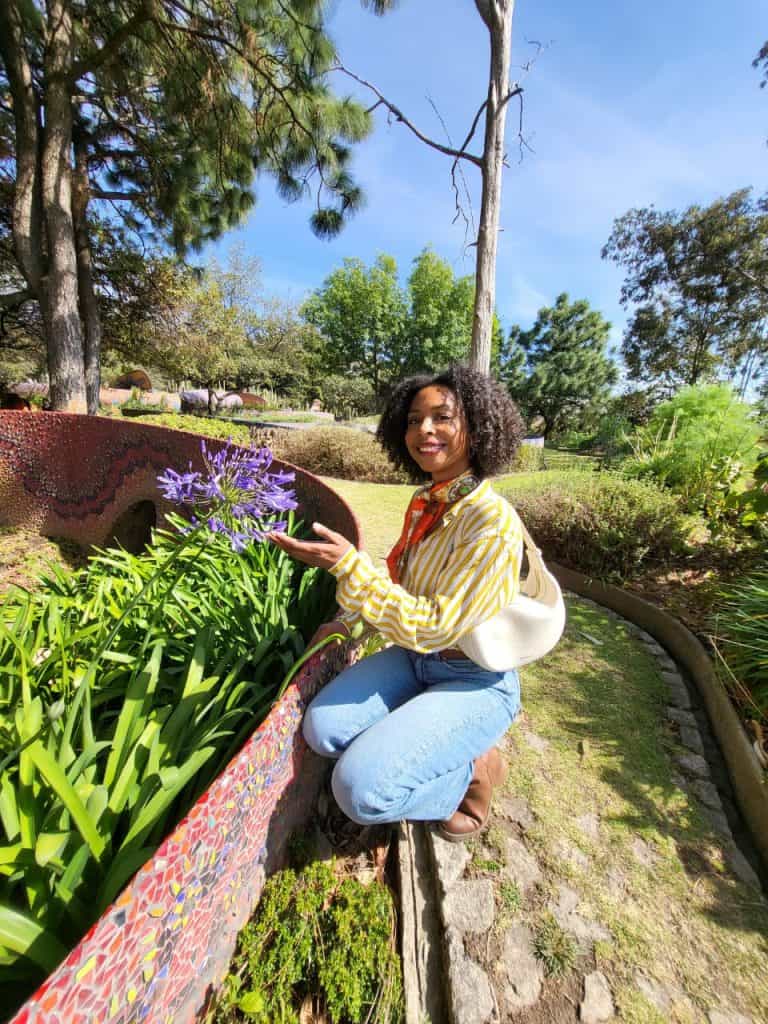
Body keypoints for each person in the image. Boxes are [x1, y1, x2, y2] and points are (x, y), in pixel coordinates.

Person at [268, 365, 526, 841]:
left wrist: (348, 566)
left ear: (478, 427)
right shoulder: (426, 501)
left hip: (473, 678)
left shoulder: (492, 522)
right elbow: (396, 582)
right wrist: (348, 623)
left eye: (442, 417)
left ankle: (472, 771)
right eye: (412, 420)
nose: (423, 430)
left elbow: (436, 627)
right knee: (322, 730)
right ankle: (424, 738)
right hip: (415, 659)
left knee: (360, 790)